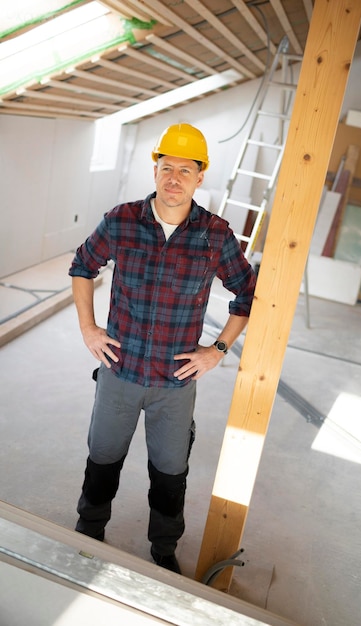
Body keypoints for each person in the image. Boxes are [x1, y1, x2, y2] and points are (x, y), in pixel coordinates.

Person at [69, 123, 256, 574]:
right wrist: (89, 329)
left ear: (200, 177)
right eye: (166, 167)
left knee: (171, 473)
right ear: (155, 170)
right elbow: (82, 266)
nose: (174, 178)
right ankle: (90, 529)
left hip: (175, 382)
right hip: (120, 370)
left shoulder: (215, 235)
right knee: (102, 459)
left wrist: (218, 350)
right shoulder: (121, 221)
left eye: (185, 170)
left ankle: (164, 548)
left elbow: (248, 295)